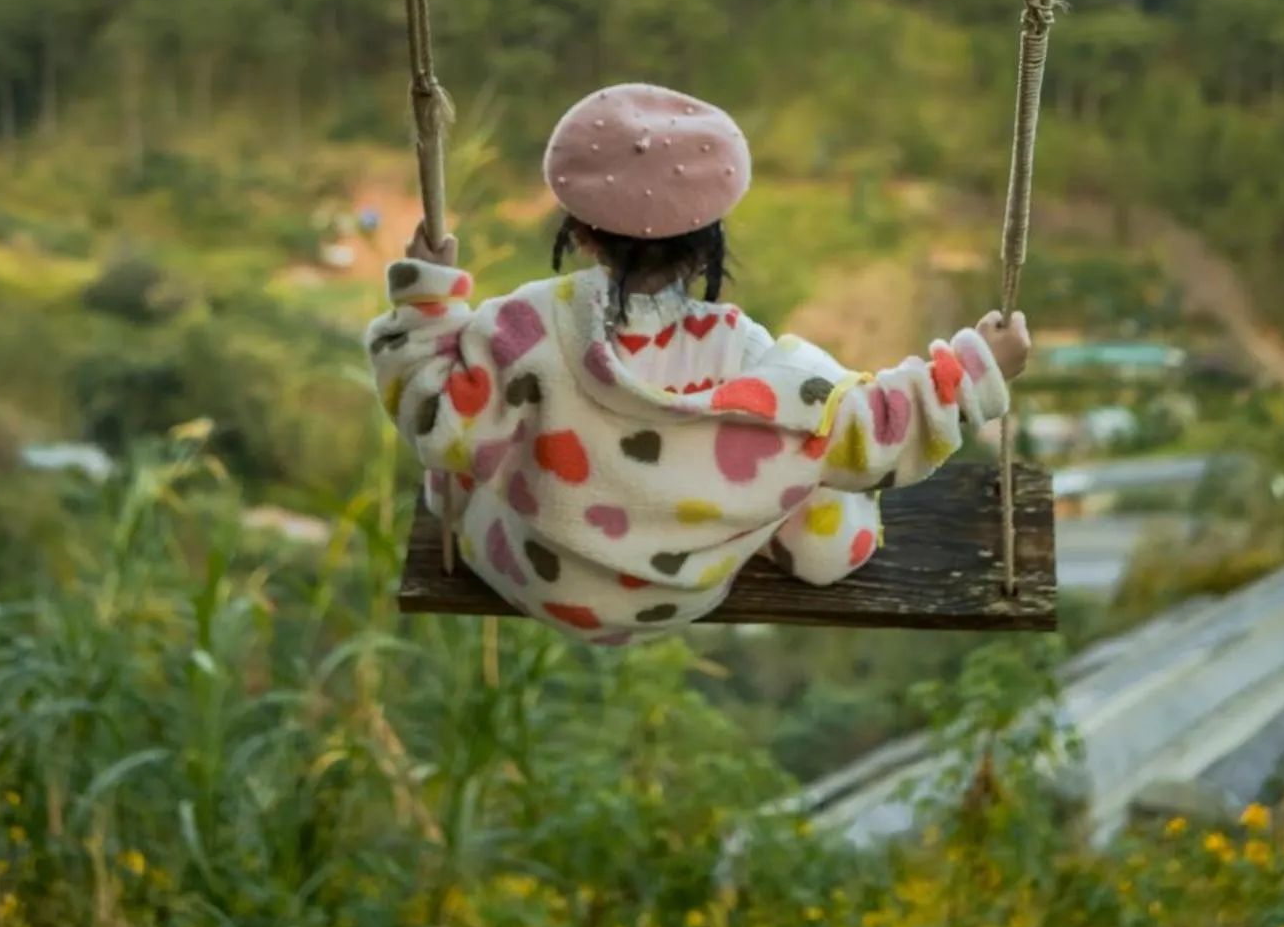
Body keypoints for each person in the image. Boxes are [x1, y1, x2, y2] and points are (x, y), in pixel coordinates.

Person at [366, 84, 1030, 645]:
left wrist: (428, 298)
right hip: (679, 594)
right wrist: (979, 368)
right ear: (709, 242)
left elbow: (432, 411)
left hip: (537, 577)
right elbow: (878, 429)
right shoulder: (748, 357)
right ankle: (803, 529)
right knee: (818, 450)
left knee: (463, 457)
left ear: (583, 233)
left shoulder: (524, 327)